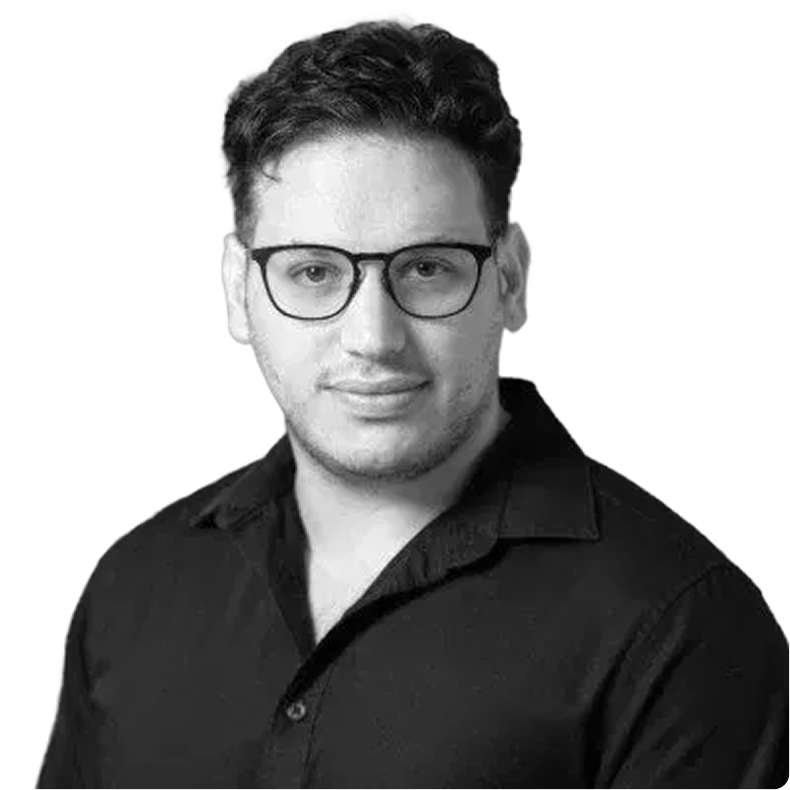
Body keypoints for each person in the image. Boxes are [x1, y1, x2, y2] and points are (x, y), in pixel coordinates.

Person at [36, 13, 789, 790]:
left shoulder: (681, 623)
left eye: (427, 268)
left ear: (511, 281)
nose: (373, 337)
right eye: (313, 272)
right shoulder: (134, 582)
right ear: (236, 290)